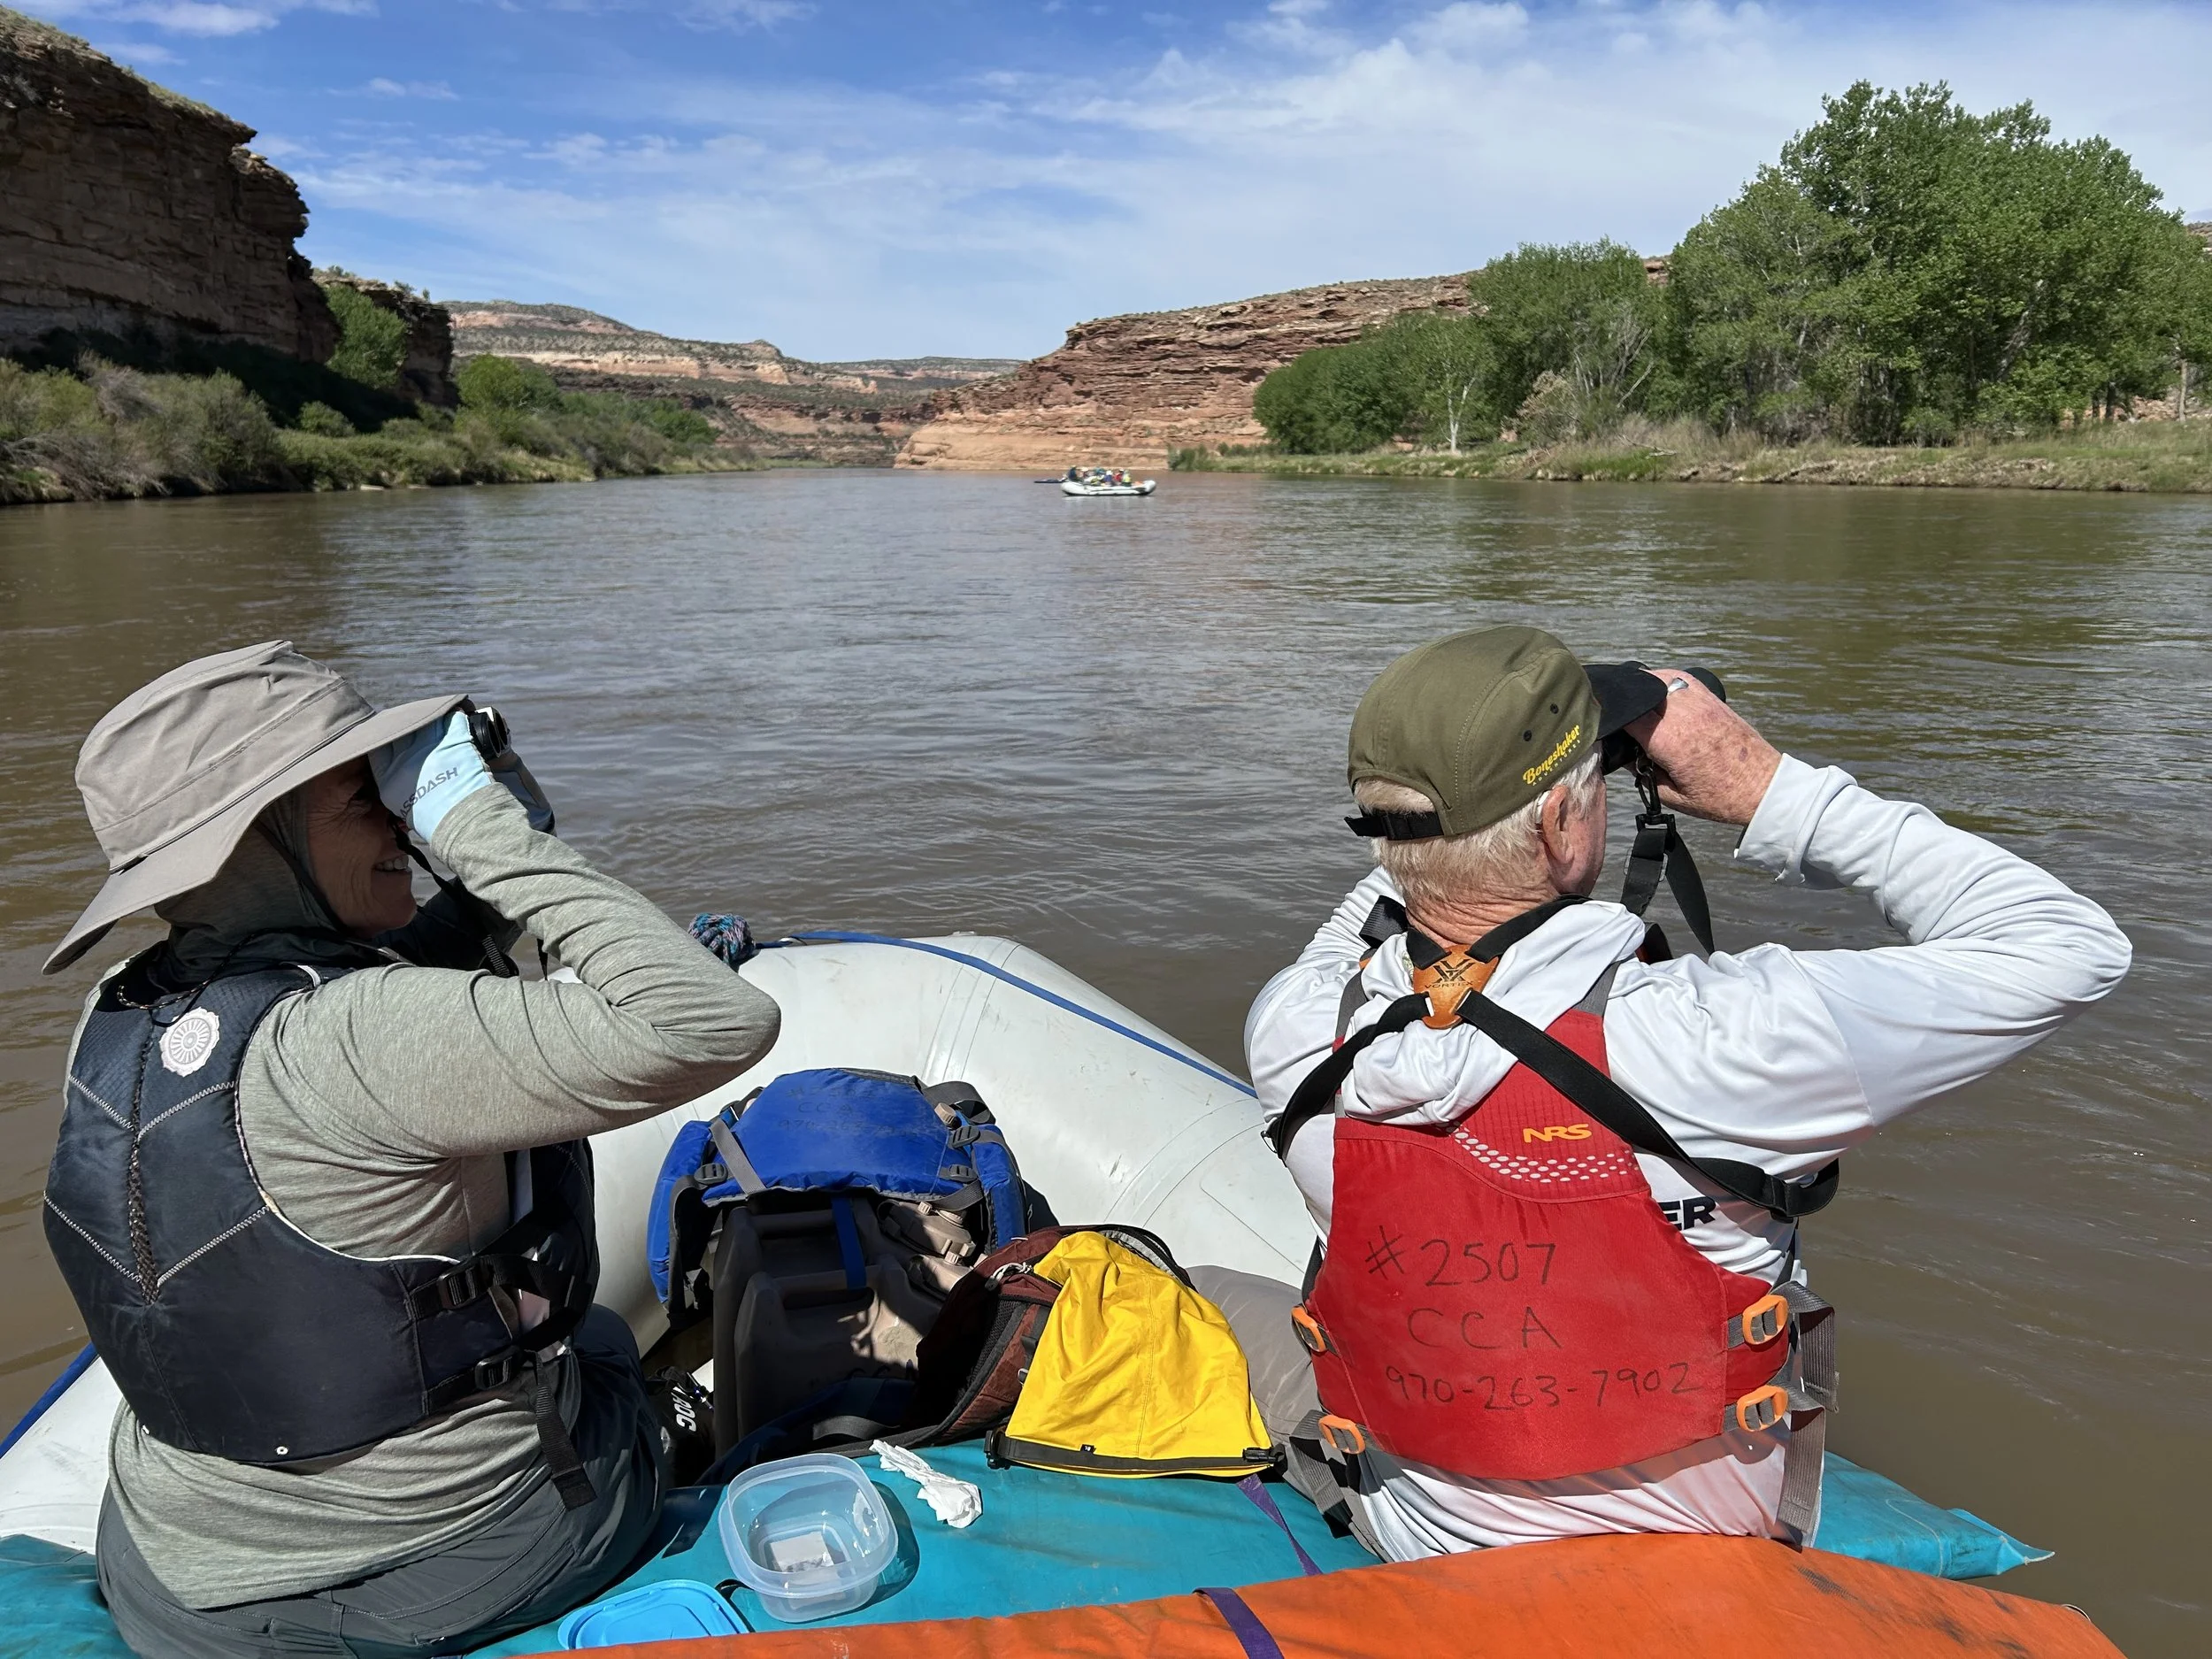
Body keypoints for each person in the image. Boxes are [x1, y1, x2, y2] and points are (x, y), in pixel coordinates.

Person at [1232, 624, 2129, 1563]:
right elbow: (2071, 945)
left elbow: (1374, 919)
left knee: (1215, 1299)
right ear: (1557, 826)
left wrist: (1451, 822)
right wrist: (1766, 786)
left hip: (1412, 1540)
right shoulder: (1730, 1039)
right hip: (1693, 1559)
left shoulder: (1296, 1028)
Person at [40, 641, 781, 1656]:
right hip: (418, 1573)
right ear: (256, 834)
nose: (403, 817)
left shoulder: (122, 1008)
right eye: (370, 796)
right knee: (604, 1344)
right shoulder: (357, 1037)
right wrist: (482, 831)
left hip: (168, 1569)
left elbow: (355, 1006)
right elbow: (711, 1021)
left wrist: (475, 881)